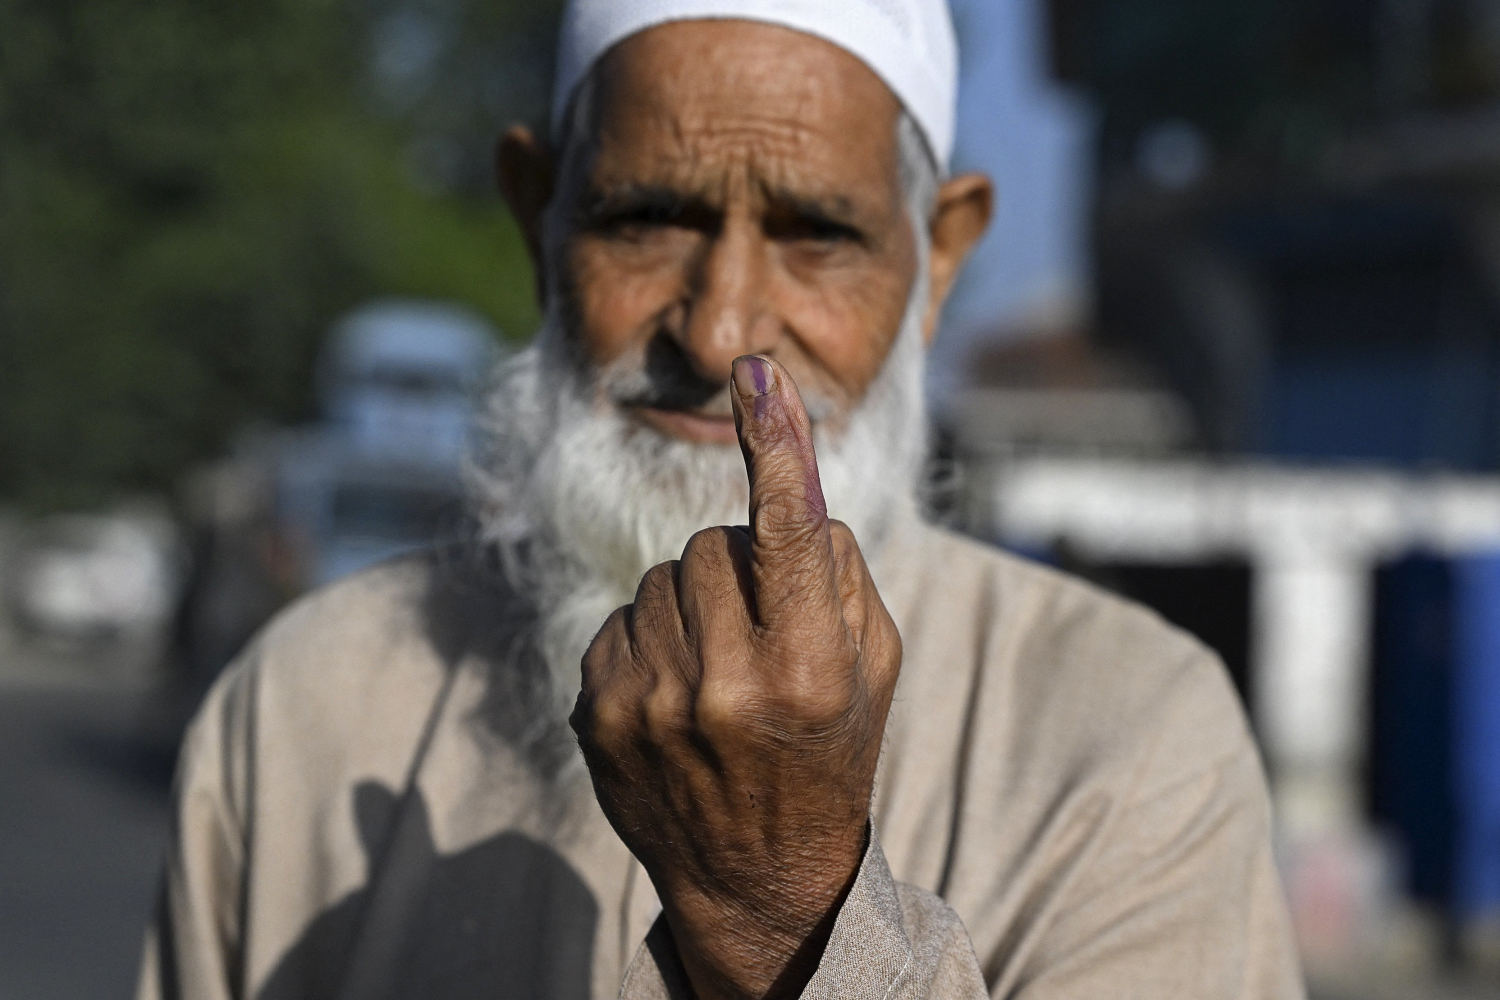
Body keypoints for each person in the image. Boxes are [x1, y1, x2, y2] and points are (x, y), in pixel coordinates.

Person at [138, 1, 1306, 997]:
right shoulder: (301, 711)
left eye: (816, 234)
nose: (719, 328)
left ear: (936, 260)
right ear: (540, 220)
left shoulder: (1130, 741)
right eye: (644, 218)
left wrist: (784, 914)